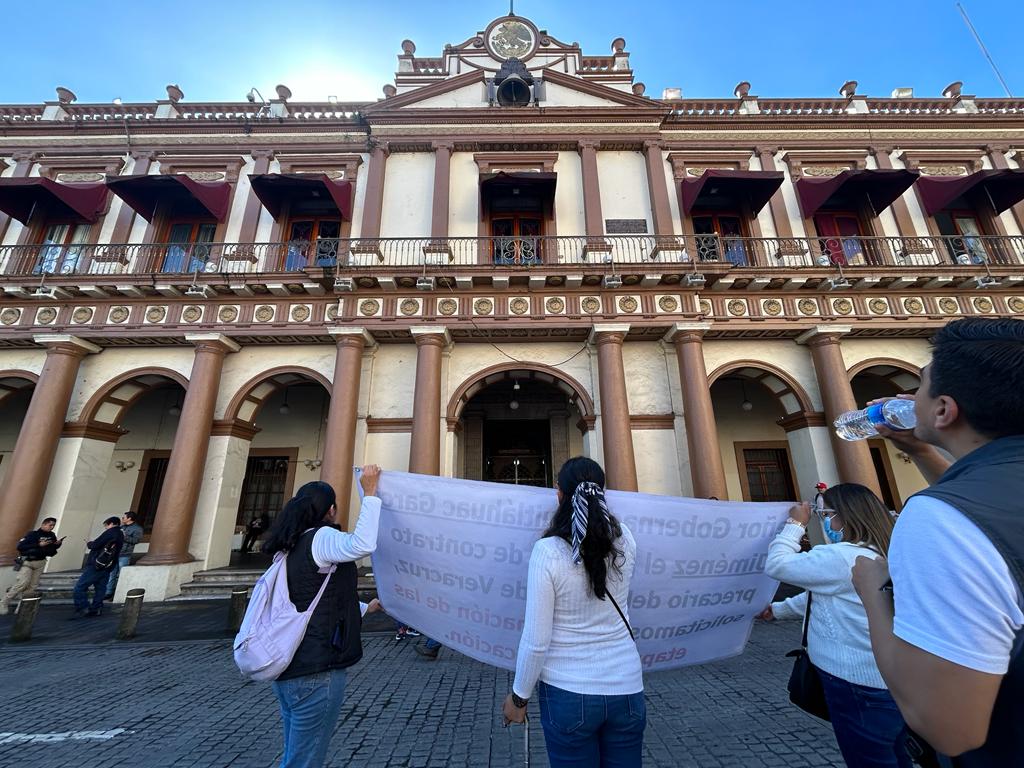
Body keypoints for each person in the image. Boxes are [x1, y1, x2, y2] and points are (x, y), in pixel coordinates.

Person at [851, 318, 1024, 765]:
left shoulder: (936, 518)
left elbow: (951, 728)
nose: (909, 399)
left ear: (943, 409)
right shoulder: (977, 503)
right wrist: (924, 449)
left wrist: (872, 593)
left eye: (920, 386)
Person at [502, 456, 645, 767]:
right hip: (628, 688)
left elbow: (536, 639)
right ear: (603, 493)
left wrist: (518, 697)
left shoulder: (548, 551)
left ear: (559, 495)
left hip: (569, 691)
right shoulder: (626, 540)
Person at [761, 484, 910, 768]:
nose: (823, 520)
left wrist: (795, 525)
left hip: (856, 680)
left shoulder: (840, 556)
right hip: (892, 677)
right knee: (895, 754)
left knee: (870, 759)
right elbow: (822, 592)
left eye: (825, 513)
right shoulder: (881, 549)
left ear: (845, 516)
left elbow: (778, 565)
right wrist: (778, 611)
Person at [263, 466, 383, 768]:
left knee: (297, 754)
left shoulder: (292, 545)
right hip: (315, 670)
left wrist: (365, 609)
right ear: (330, 510)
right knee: (305, 760)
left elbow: (309, 598)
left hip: (290, 668)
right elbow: (362, 545)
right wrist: (370, 494)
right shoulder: (321, 537)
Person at [1, 517, 64, 614]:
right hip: (28, 562)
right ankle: (4, 602)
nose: (52, 527)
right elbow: (20, 546)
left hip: (41, 562)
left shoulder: (52, 535)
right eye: (50, 525)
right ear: (43, 524)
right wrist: (38, 545)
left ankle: (22, 606)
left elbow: (51, 550)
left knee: (33, 586)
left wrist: (57, 545)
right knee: (22, 583)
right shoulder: (32, 534)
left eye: (53, 525)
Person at [72, 517, 123, 617]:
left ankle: (83, 607)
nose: (106, 528)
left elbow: (95, 545)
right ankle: (97, 608)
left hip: (97, 564)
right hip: (108, 565)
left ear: (111, 524)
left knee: (80, 587)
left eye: (106, 526)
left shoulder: (110, 532)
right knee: (100, 588)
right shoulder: (120, 534)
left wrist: (89, 543)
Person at [105, 511, 143, 600]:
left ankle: (118, 593)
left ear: (129, 518)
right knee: (112, 573)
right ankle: (108, 592)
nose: (122, 519)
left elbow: (136, 540)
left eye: (124, 517)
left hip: (125, 554)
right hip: (115, 552)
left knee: (122, 575)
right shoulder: (121, 527)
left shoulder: (137, 529)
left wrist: (124, 536)